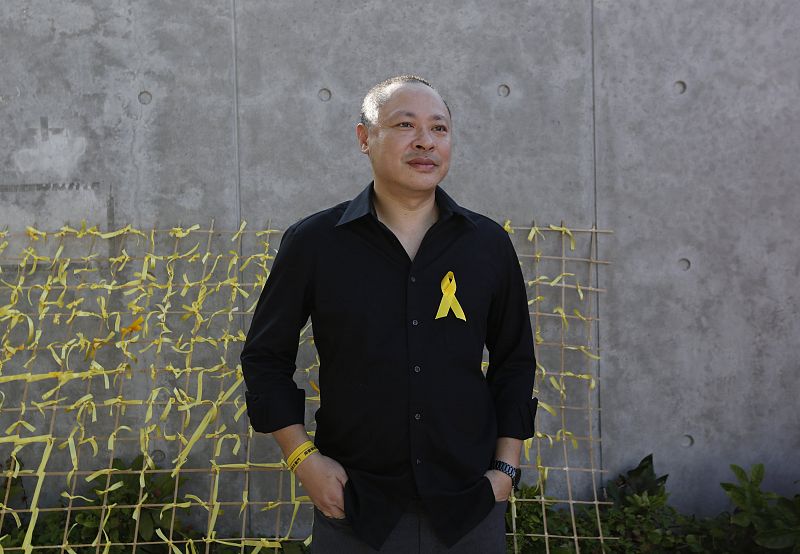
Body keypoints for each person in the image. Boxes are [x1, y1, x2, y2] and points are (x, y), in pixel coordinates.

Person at [240, 75, 538, 553]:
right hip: (356, 507)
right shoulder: (315, 243)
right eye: (405, 124)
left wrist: (504, 470)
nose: (425, 141)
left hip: (468, 508)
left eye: (439, 128)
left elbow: (515, 361)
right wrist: (302, 459)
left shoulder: (487, 245)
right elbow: (264, 359)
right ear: (365, 138)